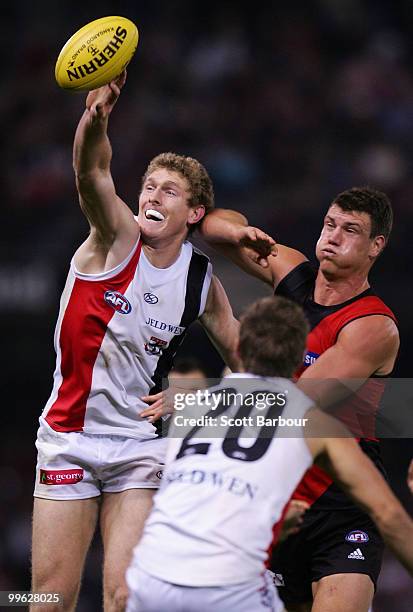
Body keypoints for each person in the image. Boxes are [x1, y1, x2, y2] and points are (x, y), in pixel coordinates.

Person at [31, 70, 250, 612]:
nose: (153, 195)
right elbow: (91, 171)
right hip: (70, 439)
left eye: (169, 191)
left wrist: (197, 400)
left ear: (193, 214)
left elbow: (253, 366)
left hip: (139, 447)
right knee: (47, 599)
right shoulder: (114, 236)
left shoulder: (201, 282)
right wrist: (95, 118)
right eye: (149, 185)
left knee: (127, 596)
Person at [125, 296, 413, 612]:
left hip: (148, 574)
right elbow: (388, 515)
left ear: (238, 350)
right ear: (298, 362)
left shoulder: (192, 408)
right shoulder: (309, 419)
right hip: (226, 587)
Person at [199, 187, 400, 611]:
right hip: (279, 499)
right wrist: (238, 235)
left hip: (342, 508)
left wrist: (194, 404)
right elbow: (207, 223)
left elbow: (295, 404)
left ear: (375, 246)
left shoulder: (372, 327)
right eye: (329, 224)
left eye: (350, 230)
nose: (332, 236)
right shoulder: (294, 274)